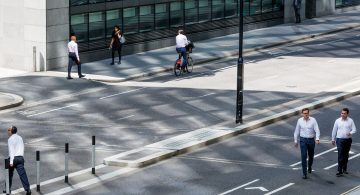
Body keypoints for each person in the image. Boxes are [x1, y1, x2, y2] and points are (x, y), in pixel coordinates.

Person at [4, 126, 31, 195]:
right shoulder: (20, 138)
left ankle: (8, 189)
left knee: (9, 174)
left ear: (11, 131)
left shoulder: (10, 139)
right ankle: (28, 189)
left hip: (13, 159)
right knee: (22, 174)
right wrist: (22, 158)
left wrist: (11, 162)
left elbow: (11, 151)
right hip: (20, 158)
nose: (8, 131)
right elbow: (22, 148)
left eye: (9, 130)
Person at [294, 108, 320, 179]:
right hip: (303, 140)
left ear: (309, 113)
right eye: (304, 113)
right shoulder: (299, 121)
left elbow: (317, 130)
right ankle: (304, 173)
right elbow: (296, 131)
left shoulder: (313, 120)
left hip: (311, 140)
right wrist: (295, 141)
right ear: (302, 114)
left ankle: (310, 166)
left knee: (311, 156)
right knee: (303, 156)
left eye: (307, 113)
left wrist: (317, 139)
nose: (306, 114)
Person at [332, 108, 356, 177]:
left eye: (344, 113)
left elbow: (354, 129)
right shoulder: (337, 121)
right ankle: (340, 171)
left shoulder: (350, 121)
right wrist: (333, 139)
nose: (342, 114)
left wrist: (350, 133)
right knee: (340, 154)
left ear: (347, 114)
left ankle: (344, 168)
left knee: (346, 155)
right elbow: (334, 130)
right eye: (342, 113)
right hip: (339, 140)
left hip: (348, 140)